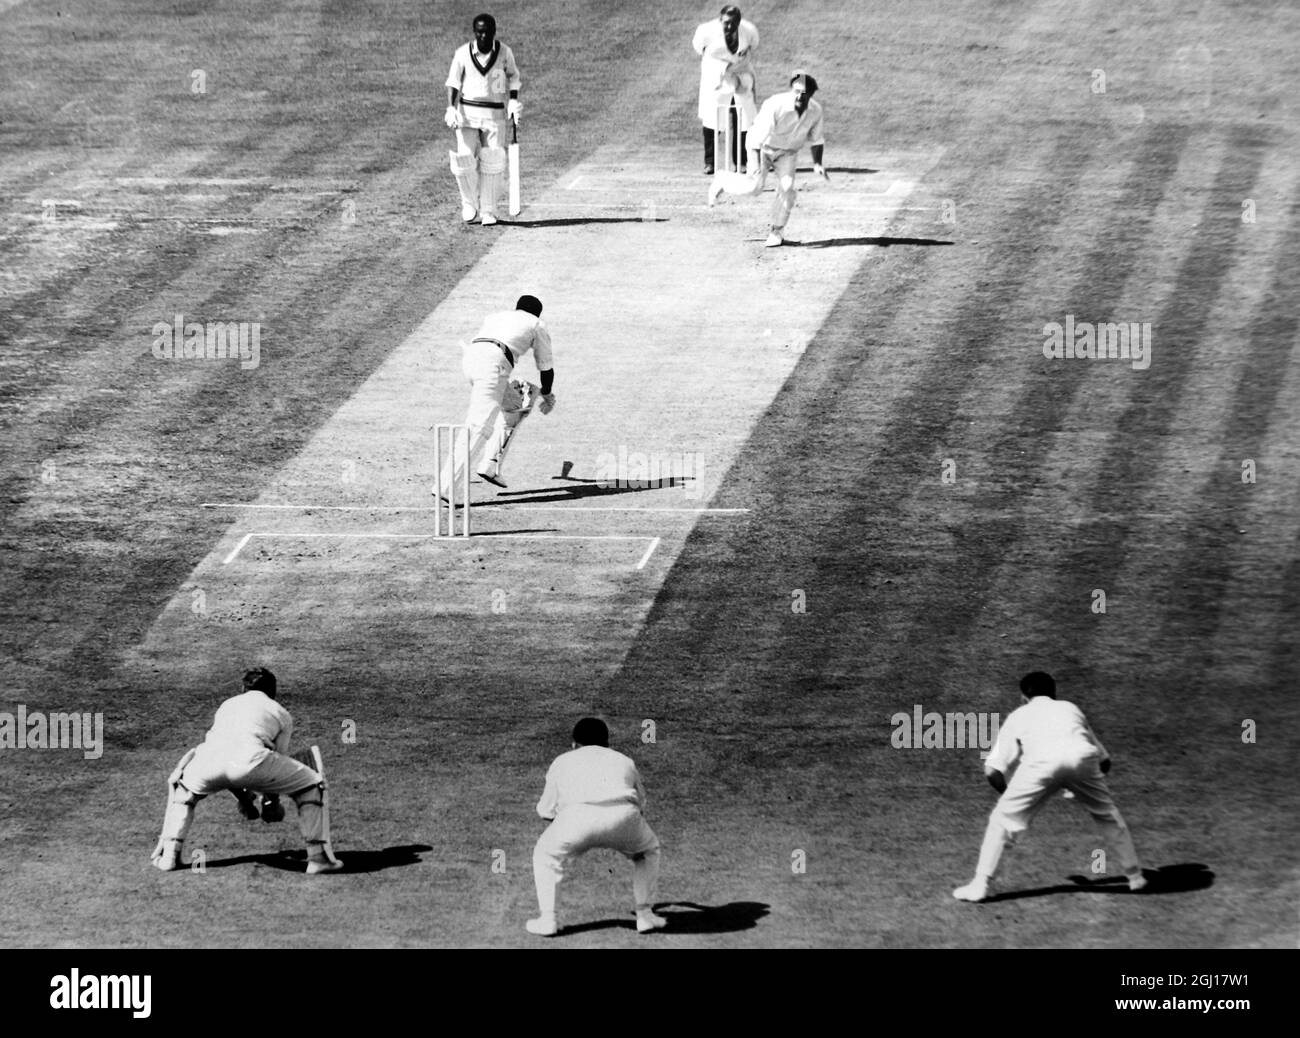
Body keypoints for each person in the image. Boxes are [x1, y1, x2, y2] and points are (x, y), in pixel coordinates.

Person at [952, 671, 1146, 902]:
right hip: (1083, 760)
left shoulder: (1019, 715)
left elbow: (992, 771)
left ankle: (980, 884)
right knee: (1108, 816)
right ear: (1054, 694)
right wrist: (1080, 785)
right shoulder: (1071, 708)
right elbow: (1104, 761)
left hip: (1040, 765)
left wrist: (1011, 797)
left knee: (1001, 820)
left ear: (1024, 697)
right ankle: (1135, 877)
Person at [150, 668, 343, 875]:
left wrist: (244, 799)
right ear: (273, 692)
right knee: (313, 784)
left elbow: (227, 763)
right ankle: (318, 858)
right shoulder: (280, 712)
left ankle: (169, 856)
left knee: (184, 791)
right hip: (252, 761)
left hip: (207, 761)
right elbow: (276, 761)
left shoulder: (227, 705)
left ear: (243, 688)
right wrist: (271, 804)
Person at [526, 718, 666, 936]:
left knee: (545, 855)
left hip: (575, 819)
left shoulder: (562, 761)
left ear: (574, 744)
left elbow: (545, 810)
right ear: (607, 743)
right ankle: (645, 916)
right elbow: (641, 803)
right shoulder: (624, 760)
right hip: (624, 816)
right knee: (648, 850)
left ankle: (548, 920)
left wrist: (567, 824)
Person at [439, 294, 555, 495]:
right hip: (494, 364)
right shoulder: (537, 323)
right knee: (479, 426)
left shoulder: (496, 316)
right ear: (537, 312)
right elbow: (546, 367)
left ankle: (490, 465)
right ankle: (445, 487)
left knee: (516, 404)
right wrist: (547, 394)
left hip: (471, 358)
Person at [708, 69, 828, 247]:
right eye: (796, 92)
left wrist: (817, 163)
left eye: (803, 93)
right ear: (791, 90)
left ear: (811, 94)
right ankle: (723, 179)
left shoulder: (815, 111)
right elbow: (759, 135)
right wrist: (755, 164)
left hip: (787, 153)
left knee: (787, 188)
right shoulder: (776, 104)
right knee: (754, 188)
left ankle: (776, 231)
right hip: (762, 147)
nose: (799, 96)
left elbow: (817, 139)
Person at [445, 13, 522, 225]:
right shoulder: (462, 53)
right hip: (467, 113)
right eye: (479, 32)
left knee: (494, 160)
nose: (483, 36)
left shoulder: (505, 52)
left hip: (495, 114)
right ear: (474, 33)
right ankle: (469, 203)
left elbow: (514, 78)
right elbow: (453, 82)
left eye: (487, 32)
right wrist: (451, 108)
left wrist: (514, 102)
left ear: (494, 32)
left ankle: (488, 210)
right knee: (464, 159)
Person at [692, 5, 759, 175]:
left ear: (739, 21)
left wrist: (738, 72)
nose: (730, 26)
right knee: (712, 118)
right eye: (727, 23)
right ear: (720, 19)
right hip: (716, 76)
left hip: (741, 72)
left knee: (745, 117)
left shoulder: (749, 31)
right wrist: (726, 70)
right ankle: (710, 162)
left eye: (734, 23)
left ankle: (742, 162)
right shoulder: (706, 31)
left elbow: (750, 51)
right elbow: (701, 51)